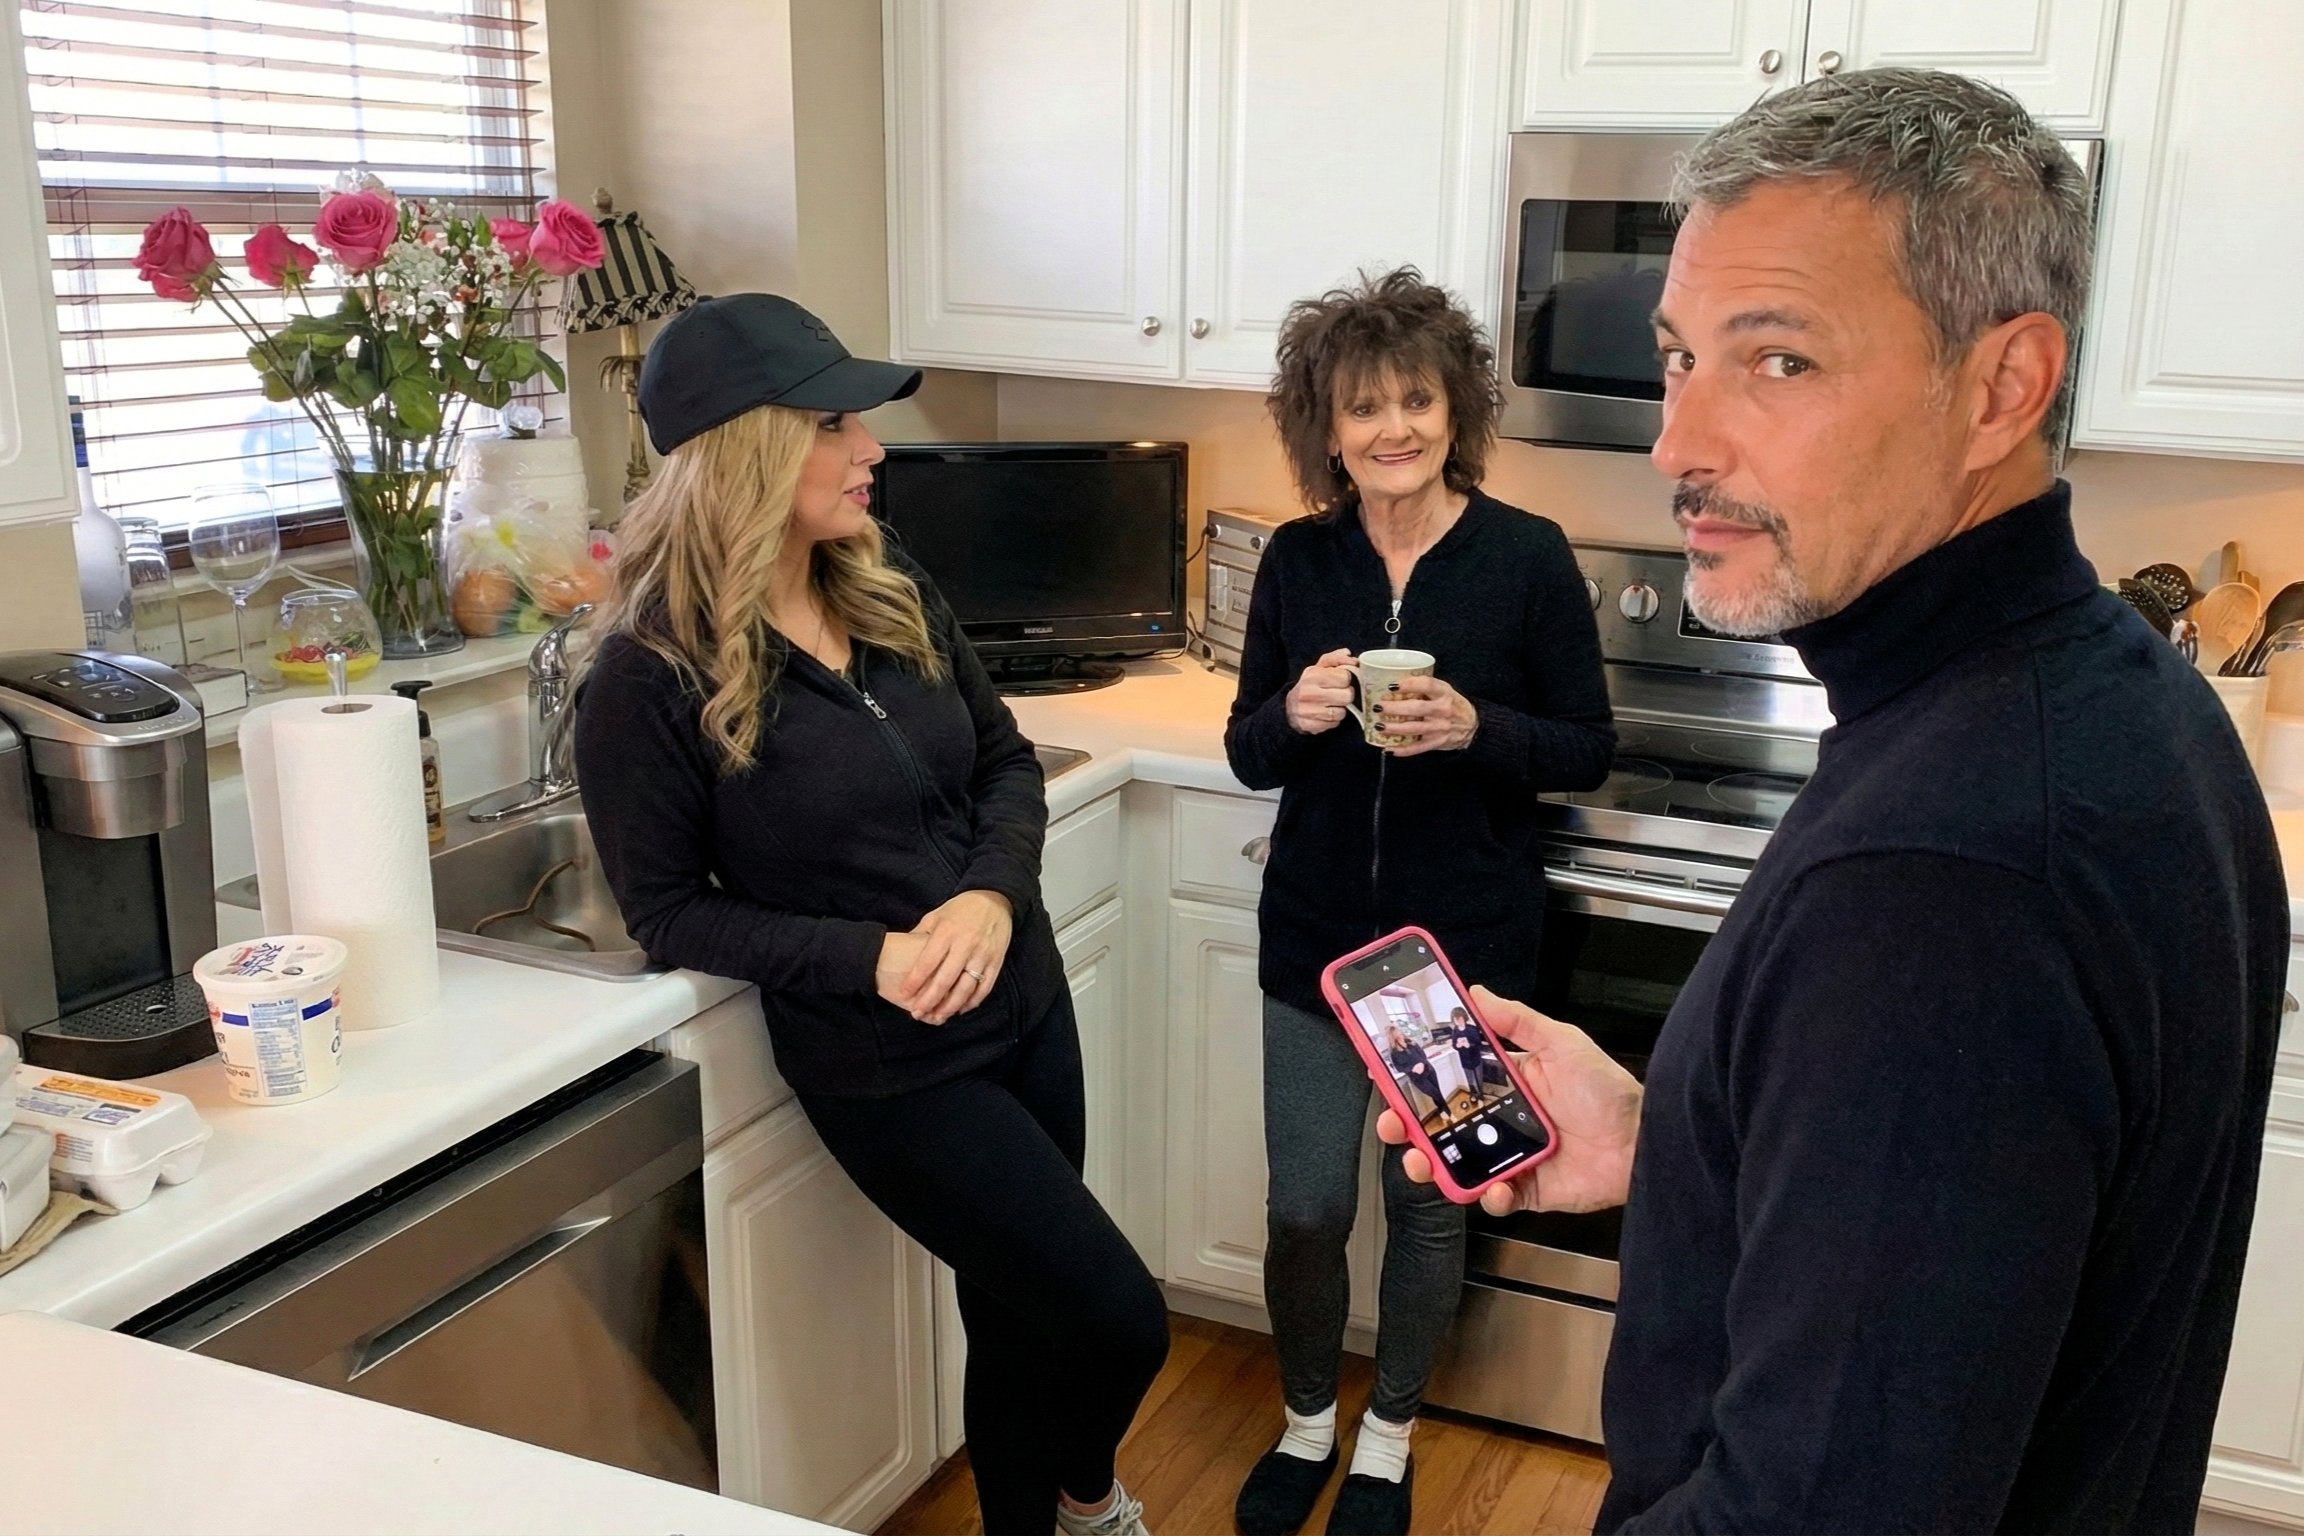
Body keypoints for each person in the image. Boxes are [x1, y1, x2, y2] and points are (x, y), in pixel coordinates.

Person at [1380, 70, 2289, 1534]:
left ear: (2002, 386)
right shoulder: (2129, 699)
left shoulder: (1942, 877)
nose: (1679, 444)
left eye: (1779, 360)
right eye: (1680, 358)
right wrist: (1677, 1141)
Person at [573, 294, 1169, 1536]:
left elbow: (1005, 761)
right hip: (894, 1065)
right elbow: (668, 912)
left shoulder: (884, 579)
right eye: (835, 423)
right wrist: (872, 958)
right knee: (1119, 1317)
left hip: (1026, 1003)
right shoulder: (648, 674)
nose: (873, 449)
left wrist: (992, 895)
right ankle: (1091, 1500)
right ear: (748, 448)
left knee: (1014, 1313)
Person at [1224, 268, 1615, 1536]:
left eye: (1418, 400)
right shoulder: (1299, 560)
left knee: (1427, 1210)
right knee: (1306, 1211)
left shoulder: (1526, 558)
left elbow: (1586, 746)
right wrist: (1292, 714)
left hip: (1457, 963)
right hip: (1314, 942)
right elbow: (1246, 748)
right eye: (1363, 407)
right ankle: (1305, 1421)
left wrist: (1475, 728)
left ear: (1458, 411)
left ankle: (1388, 1439)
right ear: (1326, 430)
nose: (1394, 428)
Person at [1382, 1025, 1441, 1123]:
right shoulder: (1394, 1053)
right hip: (1418, 1078)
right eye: (1397, 1032)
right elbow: (1399, 1068)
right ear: (1393, 1036)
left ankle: (1442, 1110)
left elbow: (1423, 1055)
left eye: (1399, 1031)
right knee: (1435, 1093)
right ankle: (1448, 1113)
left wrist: (1421, 1064)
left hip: (1429, 1070)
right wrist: (1412, 1069)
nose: (1400, 1033)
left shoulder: (1411, 1043)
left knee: (1437, 1092)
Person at [1443, 1007, 1493, 1099]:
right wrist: (1457, 1046)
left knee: (1478, 1077)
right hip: (1464, 1059)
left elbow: (1479, 1044)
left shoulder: (1472, 1029)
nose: (1458, 1022)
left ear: (1464, 1017)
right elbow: (1454, 1044)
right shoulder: (1455, 1031)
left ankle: (1480, 1094)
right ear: (1453, 1020)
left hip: (1475, 1057)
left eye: (1460, 1019)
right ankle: (1474, 1094)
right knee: (1469, 1078)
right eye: (1456, 1020)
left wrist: (1469, 1045)